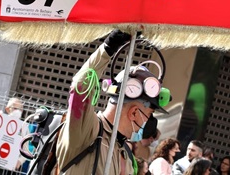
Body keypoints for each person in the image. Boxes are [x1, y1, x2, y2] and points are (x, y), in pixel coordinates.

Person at [56, 30, 170, 175]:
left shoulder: (127, 155)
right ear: (134, 112)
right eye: (149, 114)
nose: (149, 122)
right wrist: (108, 48)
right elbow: (80, 87)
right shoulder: (87, 130)